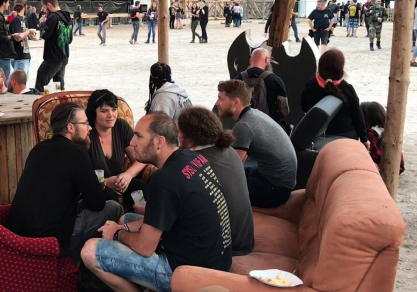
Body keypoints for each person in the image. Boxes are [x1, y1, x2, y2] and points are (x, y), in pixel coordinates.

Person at [81, 114, 232, 292]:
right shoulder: (192, 158)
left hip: (189, 274)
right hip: (218, 261)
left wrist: (116, 234)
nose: (133, 142)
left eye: (139, 136)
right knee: (126, 219)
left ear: (159, 142)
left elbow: (145, 248)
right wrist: (123, 227)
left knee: (90, 250)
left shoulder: (164, 180)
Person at [7, 102, 123, 264]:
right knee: (114, 207)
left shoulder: (38, 149)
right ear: (70, 128)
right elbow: (97, 203)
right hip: (51, 241)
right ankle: (86, 267)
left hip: (16, 238)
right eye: (85, 123)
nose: (90, 128)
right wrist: (98, 187)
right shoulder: (77, 153)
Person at [177, 106, 254, 255]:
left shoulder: (194, 162)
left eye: (179, 132)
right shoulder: (229, 151)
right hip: (244, 240)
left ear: (189, 138)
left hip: (226, 248)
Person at [216, 79, 297, 208]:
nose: (217, 103)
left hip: (275, 190)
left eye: (221, 99)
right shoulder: (254, 114)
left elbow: (232, 167)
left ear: (236, 102)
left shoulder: (243, 126)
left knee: (217, 185)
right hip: (277, 180)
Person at [86, 90, 148, 207]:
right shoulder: (86, 133)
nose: (111, 115)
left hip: (122, 182)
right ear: (93, 113)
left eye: (114, 110)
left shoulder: (121, 126)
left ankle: (141, 220)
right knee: (107, 196)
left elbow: (141, 158)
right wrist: (105, 183)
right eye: (104, 111)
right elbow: (79, 172)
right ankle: (115, 224)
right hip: (98, 186)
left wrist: (128, 175)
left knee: (140, 187)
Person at [302, 49, 368, 145]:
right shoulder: (347, 89)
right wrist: (364, 139)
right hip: (347, 136)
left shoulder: (310, 86)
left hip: (318, 137)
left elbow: (304, 107)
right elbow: (357, 116)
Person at [235, 48, 289, 124]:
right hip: (269, 126)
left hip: (244, 125)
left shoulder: (237, 80)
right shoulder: (275, 80)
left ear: (250, 61)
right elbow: (284, 111)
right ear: (267, 60)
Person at [35, 0, 73, 91]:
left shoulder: (53, 17)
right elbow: (69, 40)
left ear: (48, 5)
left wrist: (42, 23)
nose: (43, 10)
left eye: (43, 7)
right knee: (58, 85)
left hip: (53, 57)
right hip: (64, 56)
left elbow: (44, 34)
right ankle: (60, 102)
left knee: (41, 82)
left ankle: (42, 103)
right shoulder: (68, 17)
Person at [359, 101, 405, 174]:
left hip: (380, 170)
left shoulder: (369, 135)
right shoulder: (388, 131)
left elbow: (368, 158)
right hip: (397, 167)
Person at [10, 0, 33, 77]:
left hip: (23, 55)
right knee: (20, 84)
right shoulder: (16, 20)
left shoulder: (21, 20)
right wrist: (28, 31)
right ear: (25, 6)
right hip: (20, 56)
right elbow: (19, 37)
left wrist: (28, 33)